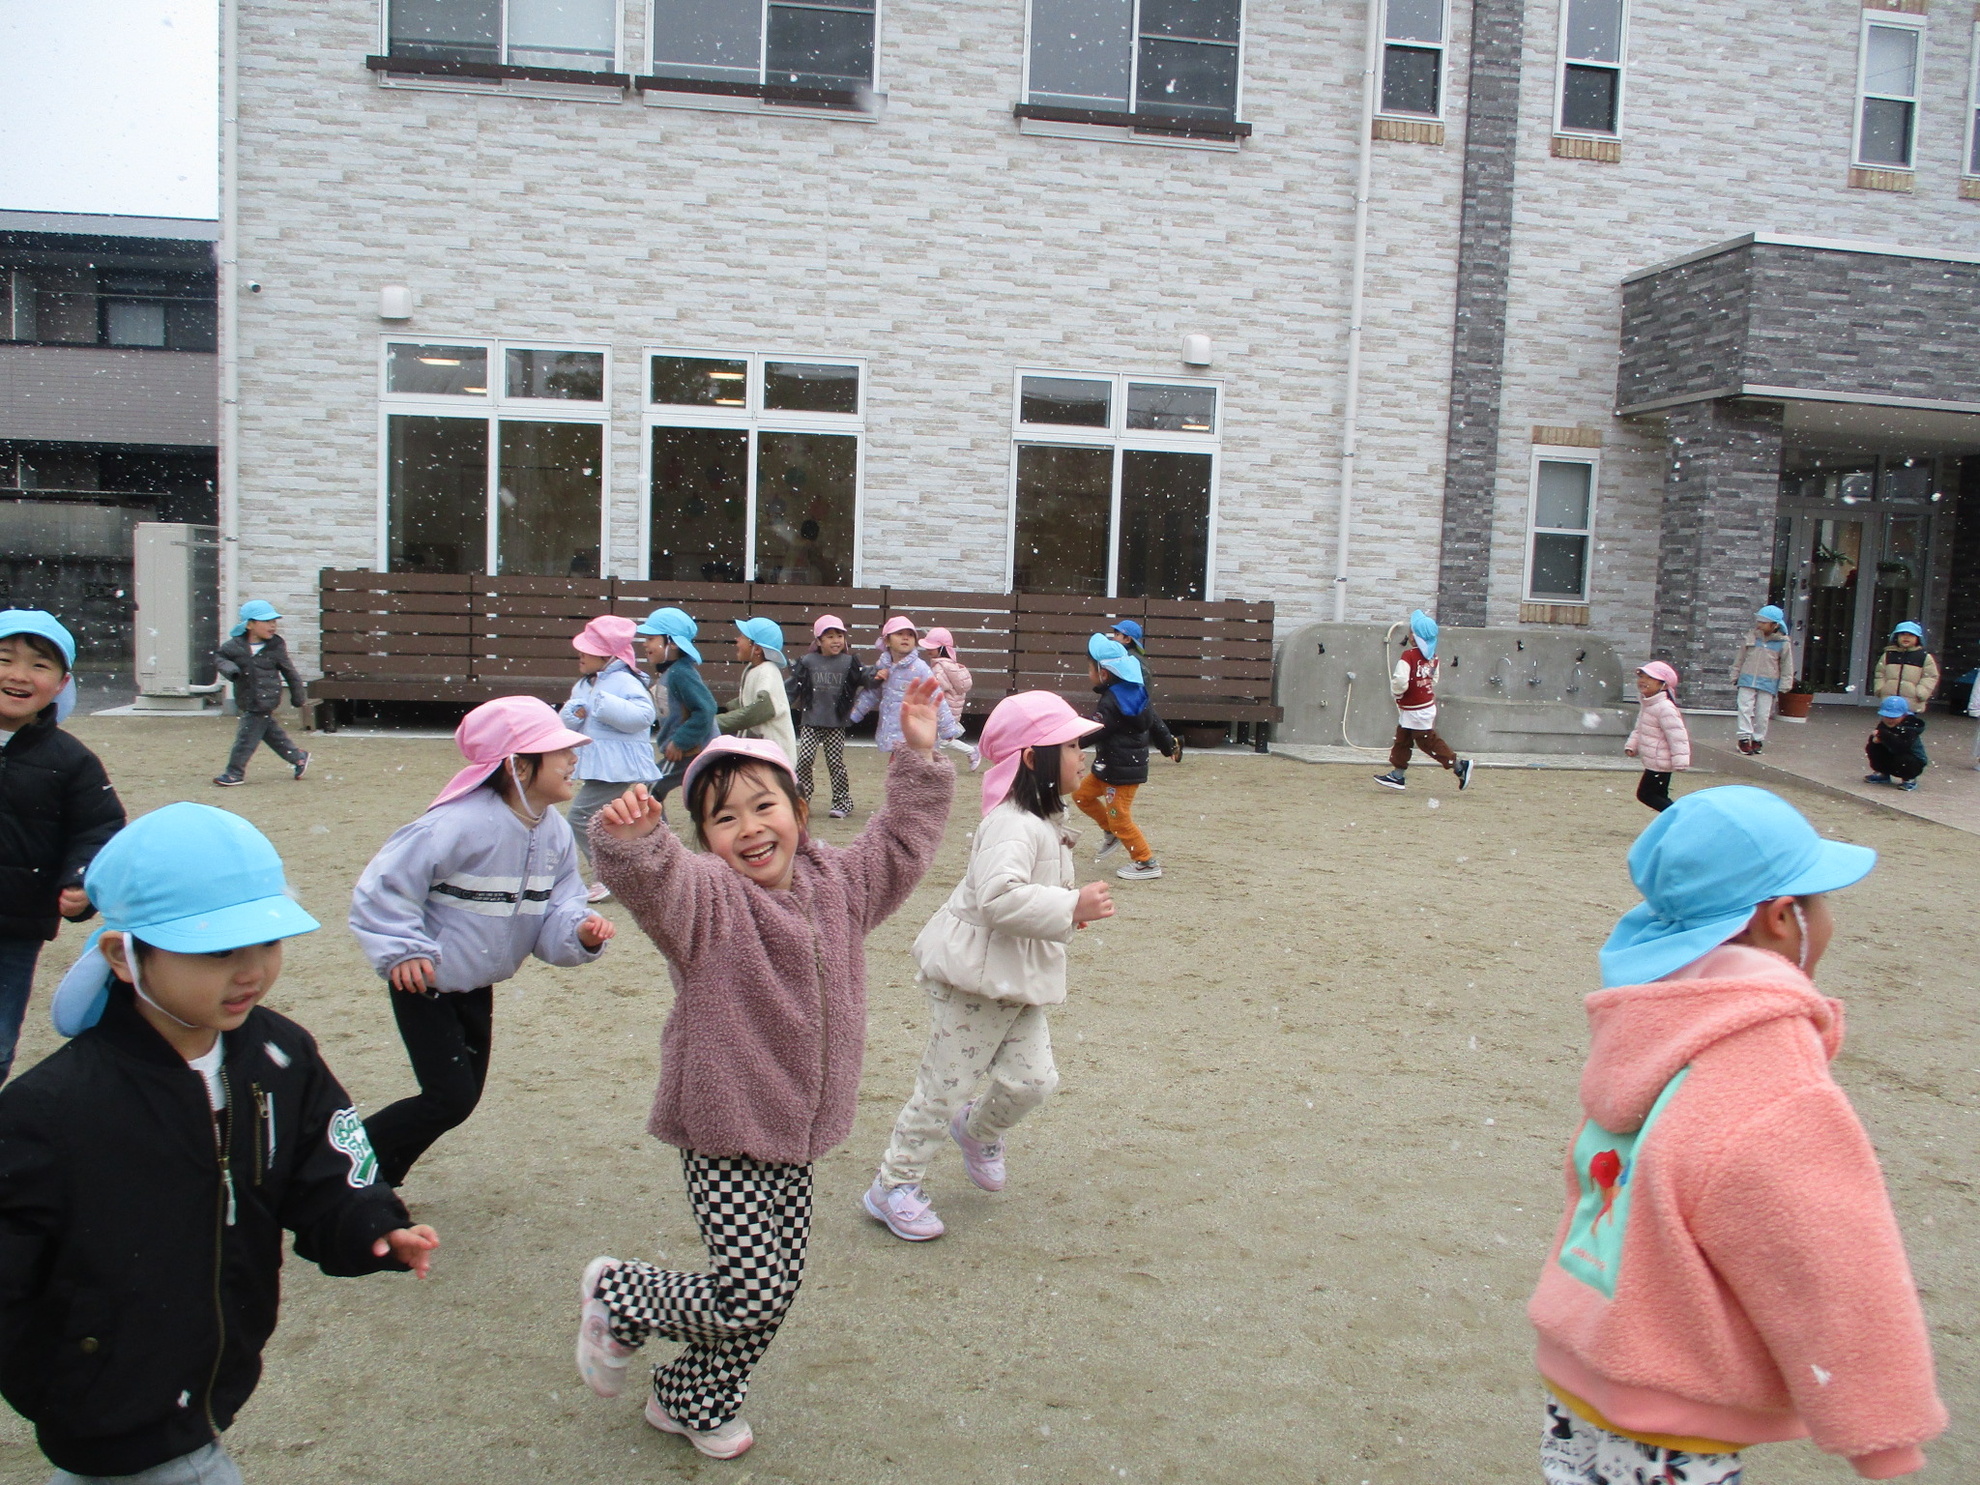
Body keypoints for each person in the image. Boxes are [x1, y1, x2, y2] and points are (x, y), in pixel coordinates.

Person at [0, 802, 438, 1485]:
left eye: (265, 942)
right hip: (108, 1401)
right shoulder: (51, 1109)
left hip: (209, 1371)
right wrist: (67, 1375)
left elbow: (326, 1165)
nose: (250, 972)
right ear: (123, 953)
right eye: (214, 950)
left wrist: (371, 1223)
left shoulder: (278, 1054)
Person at [573, 682, 953, 1459]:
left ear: (800, 812)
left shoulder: (838, 885)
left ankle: (690, 1397)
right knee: (749, 1289)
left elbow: (899, 847)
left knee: (774, 1291)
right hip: (724, 1124)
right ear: (705, 838)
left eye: (763, 806)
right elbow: (658, 883)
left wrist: (916, 757)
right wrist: (637, 843)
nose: (748, 828)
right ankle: (619, 1295)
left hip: (797, 1127)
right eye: (722, 817)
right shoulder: (708, 899)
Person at [1529, 785, 1944, 1484]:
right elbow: (1829, 1260)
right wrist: (1883, 1434)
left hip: (1584, 1356)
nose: (1827, 918)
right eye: (1820, 901)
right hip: (1673, 1391)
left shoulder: (1650, 1018)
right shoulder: (1763, 1063)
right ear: (1783, 918)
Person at [865, 692, 1113, 1242]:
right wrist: (1070, 907)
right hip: (974, 979)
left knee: (1034, 1081)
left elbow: (1030, 898)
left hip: (1017, 977)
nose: (1081, 756)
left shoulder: (1045, 817)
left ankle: (976, 1132)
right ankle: (893, 1184)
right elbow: (998, 899)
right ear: (1031, 758)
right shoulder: (1011, 824)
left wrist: (1066, 912)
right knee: (944, 1084)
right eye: (1070, 746)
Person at [349, 696, 615, 1187]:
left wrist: (579, 932)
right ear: (517, 764)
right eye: (559, 751)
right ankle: (343, 1169)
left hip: (476, 985)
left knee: (460, 1099)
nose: (572, 759)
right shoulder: (456, 823)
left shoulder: (553, 832)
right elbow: (383, 887)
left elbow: (560, 906)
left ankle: (372, 1173)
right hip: (425, 982)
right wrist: (403, 949)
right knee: (447, 1098)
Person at [0, 610, 125, 1085]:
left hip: (15, 926)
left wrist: (81, 880)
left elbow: (100, 829)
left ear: (62, 682)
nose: (18, 674)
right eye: (4, 659)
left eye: (38, 665)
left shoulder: (71, 761)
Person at [561, 615, 658, 902]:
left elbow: (644, 715)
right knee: (610, 818)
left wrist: (606, 705)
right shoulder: (585, 684)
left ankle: (611, 876)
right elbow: (568, 724)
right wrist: (571, 714)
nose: (580, 655)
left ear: (607, 655)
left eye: (587, 650)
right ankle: (643, 871)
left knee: (580, 815)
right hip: (597, 763)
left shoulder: (623, 680)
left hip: (617, 766)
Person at [1072, 633, 1176, 882]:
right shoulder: (1134, 692)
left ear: (1104, 673)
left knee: (1120, 817)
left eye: (1090, 669)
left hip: (1121, 774)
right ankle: (1110, 830)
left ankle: (1146, 861)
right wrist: (1168, 745)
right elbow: (1156, 722)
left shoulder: (1112, 701)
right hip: (1108, 768)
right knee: (1080, 795)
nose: (1089, 674)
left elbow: (1095, 730)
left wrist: (1069, 743)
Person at [212, 599, 310, 787]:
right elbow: (219, 658)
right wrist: (230, 669)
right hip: (246, 697)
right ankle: (298, 757)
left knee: (246, 737)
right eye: (266, 621)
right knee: (269, 732)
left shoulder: (276, 646)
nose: (272, 625)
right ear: (249, 624)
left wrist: (298, 696)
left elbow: (289, 671)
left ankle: (234, 772)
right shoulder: (234, 646)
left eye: (274, 621)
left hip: (266, 698)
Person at [1374, 610, 1474, 793]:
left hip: (1416, 708)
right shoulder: (1432, 657)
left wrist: (1397, 694)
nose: (1410, 635)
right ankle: (1398, 774)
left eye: (1412, 632)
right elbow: (1433, 679)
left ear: (1416, 637)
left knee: (1427, 742)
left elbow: (1400, 681)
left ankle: (1459, 766)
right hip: (1422, 705)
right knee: (1402, 738)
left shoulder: (1408, 657)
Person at [787, 614, 870, 818]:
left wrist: (879, 674)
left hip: (836, 722)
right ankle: (801, 801)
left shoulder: (849, 662)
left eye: (839, 636)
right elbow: (792, 688)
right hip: (811, 720)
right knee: (804, 759)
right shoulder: (807, 662)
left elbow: (865, 675)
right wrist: (777, 702)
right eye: (830, 636)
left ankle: (842, 802)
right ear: (818, 641)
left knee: (835, 762)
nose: (836, 641)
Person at [848, 615, 962, 755]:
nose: (905, 637)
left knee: (911, 769)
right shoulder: (883, 666)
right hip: (892, 728)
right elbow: (871, 693)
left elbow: (936, 696)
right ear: (887, 641)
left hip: (916, 730)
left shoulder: (920, 668)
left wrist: (947, 727)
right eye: (899, 634)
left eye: (910, 635)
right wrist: (854, 714)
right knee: (898, 770)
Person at [637, 607, 717, 803]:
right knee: (700, 800)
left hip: (692, 751)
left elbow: (706, 709)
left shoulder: (681, 673)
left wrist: (681, 740)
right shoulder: (671, 672)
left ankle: (657, 834)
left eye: (651, 639)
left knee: (649, 790)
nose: (645, 644)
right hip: (689, 750)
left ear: (671, 643)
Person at [715, 617, 797, 765]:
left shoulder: (768, 671)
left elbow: (759, 709)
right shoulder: (753, 669)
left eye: (742, 637)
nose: (737, 640)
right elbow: (745, 702)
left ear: (757, 648)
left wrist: (717, 723)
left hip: (774, 756)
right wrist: (711, 711)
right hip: (762, 753)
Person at [1623, 661, 1689, 813]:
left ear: (1664, 685)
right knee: (1659, 795)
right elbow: (1639, 728)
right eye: (1642, 677)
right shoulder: (1648, 705)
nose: (1643, 681)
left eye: (1650, 678)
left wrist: (1681, 760)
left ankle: (1680, 817)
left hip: (1661, 761)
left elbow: (1677, 735)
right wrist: (1632, 745)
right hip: (1653, 760)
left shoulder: (1665, 708)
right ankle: (1673, 820)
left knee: (1646, 794)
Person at [1731, 604, 1796, 756]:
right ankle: (1744, 738)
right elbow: (1740, 657)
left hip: (1768, 683)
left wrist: (1786, 684)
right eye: (1759, 621)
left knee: (1763, 713)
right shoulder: (1751, 637)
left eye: (1763, 622)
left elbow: (1786, 665)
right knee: (1744, 708)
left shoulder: (1783, 643)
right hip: (1746, 680)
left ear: (1775, 624)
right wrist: (1735, 674)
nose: (1759, 624)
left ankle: (1758, 739)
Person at [919, 626, 978, 761]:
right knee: (936, 738)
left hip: (943, 711)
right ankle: (932, 762)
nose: (928, 650)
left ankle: (971, 752)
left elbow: (934, 688)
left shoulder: (939, 667)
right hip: (951, 710)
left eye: (931, 647)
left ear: (942, 648)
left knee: (941, 739)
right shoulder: (952, 666)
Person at [1872, 621, 1938, 716]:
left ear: (1918, 639)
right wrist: (1880, 688)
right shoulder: (1889, 655)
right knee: (1888, 725)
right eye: (1902, 634)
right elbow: (1880, 673)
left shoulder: (1923, 657)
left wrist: (1921, 692)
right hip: (1890, 702)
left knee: (1908, 727)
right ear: (1896, 637)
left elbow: (1930, 676)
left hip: (1911, 702)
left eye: (1911, 635)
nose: (1906, 637)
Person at [1864, 693, 1927, 791]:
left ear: (1904, 715)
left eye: (1894, 718)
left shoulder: (1909, 728)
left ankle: (1909, 778)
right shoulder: (1883, 725)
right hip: (1892, 755)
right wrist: (1875, 740)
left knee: (1904, 758)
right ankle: (1882, 772)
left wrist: (1884, 735)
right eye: (1886, 717)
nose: (1889, 721)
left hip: (1912, 760)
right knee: (1873, 748)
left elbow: (1901, 746)